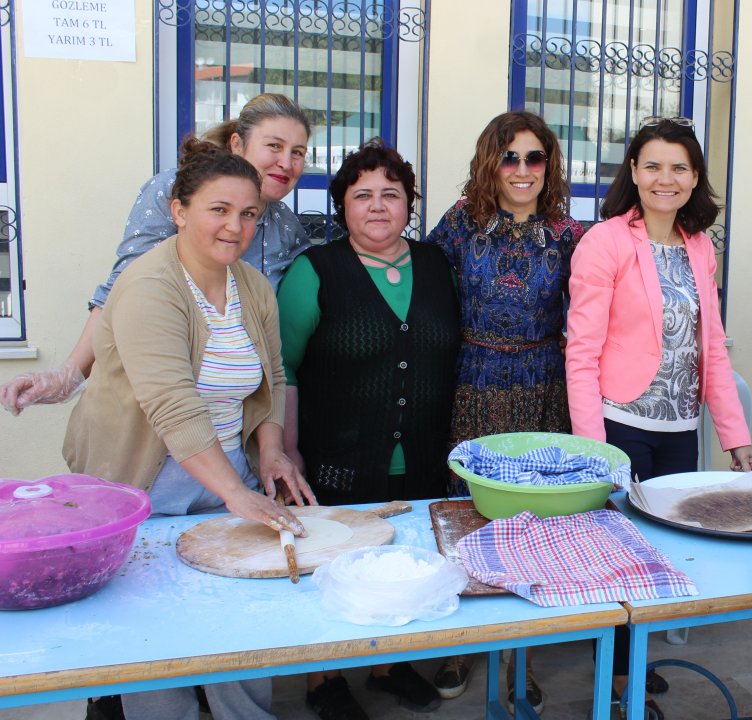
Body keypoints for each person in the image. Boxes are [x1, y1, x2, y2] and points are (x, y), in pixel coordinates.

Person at [62, 139, 316, 720]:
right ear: (178, 210)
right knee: (156, 628)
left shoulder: (250, 285)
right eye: (218, 210)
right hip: (144, 476)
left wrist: (271, 454)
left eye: (248, 213)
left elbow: (271, 377)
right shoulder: (149, 286)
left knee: (238, 614)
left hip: (226, 465)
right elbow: (173, 407)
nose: (236, 226)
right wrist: (237, 495)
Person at [566, 116, 752, 718]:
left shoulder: (698, 245)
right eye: (652, 165)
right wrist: (594, 449)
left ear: (695, 176)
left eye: (679, 166)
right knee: (623, 554)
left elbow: (713, 348)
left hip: (681, 428)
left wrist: (736, 437)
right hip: (620, 423)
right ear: (633, 172)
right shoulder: (605, 242)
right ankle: (619, 681)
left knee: (665, 552)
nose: (664, 178)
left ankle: (636, 659)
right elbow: (581, 351)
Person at [278, 139, 460, 720]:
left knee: (402, 564)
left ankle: (390, 665)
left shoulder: (437, 265)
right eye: (363, 195)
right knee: (331, 565)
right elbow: (283, 364)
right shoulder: (315, 271)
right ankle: (323, 679)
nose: (378, 206)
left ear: (409, 204)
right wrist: (286, 451)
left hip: (423, 454)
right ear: (342, 207)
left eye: (391, 194)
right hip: (337, 455)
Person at [1, 92, 314, 416]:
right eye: (274, 146)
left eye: (298, 152)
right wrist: (66, 376)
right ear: (237, 144)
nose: (286, 162)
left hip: (233, 412)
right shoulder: (176, 190)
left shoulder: (286, 226)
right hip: (153, 405)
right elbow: (125, 285)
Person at [423, 110, 583, 712]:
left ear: (549, 166)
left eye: (534, 157)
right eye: (509, 156)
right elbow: (428, 291)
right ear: (491, 162)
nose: (522, 169)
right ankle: (465, 644)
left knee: (535, 519)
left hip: (543, 384)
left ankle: (525, 658)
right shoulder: (462, 226)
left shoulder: (569, 234)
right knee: (472, 514)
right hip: (474, 380)